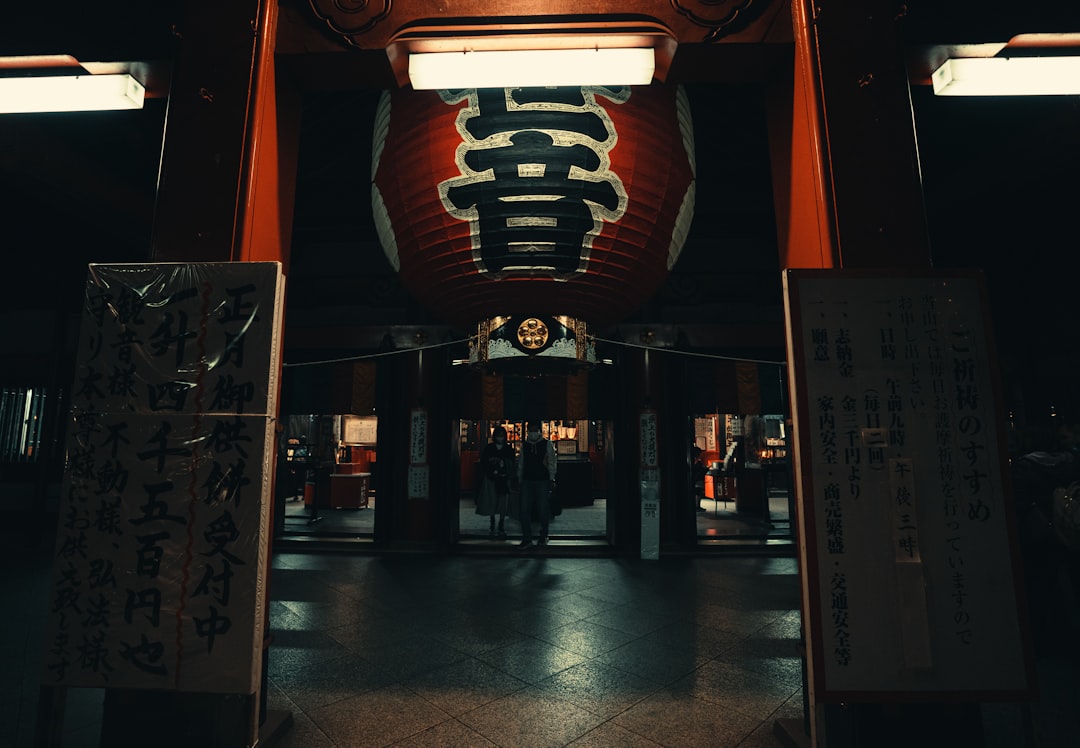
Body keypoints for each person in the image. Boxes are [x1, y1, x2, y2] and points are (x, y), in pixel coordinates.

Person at [516, 419, 557, 548]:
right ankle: (527, 538)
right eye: (531, 430)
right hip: (528, 480)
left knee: (542, 509)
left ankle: (543, 535)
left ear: (539, 431)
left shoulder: (546, 444)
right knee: (524, 510)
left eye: (535, 430)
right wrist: (519, 478)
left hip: (542, 480)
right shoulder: (526, 445)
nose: (533, 433)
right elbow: (521, 463)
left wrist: (551, 478)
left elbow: (552, 462)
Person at [476, 425, 515, 539]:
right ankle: (492, 520)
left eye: (502, 436)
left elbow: (511, 464)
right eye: (498, 436)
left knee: (503, 502)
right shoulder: (489, 448)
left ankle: (501, 523)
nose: (500, 438)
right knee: (491, 500)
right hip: (491, 477)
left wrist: (502, 462)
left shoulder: (508, 449)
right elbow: (483, 462)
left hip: (503, 478)